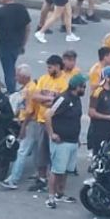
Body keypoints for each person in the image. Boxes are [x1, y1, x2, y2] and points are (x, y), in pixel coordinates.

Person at [44, 73, 86, 209]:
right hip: (61, 142)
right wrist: (52, 134)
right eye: (83, 86)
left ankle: (60, 193)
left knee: (67, 170)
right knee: (56, 170)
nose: (85, 89)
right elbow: (48, 115)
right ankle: (50, 197)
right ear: (76, 87)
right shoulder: (63, 99)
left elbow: (75, 120)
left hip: (72, 140)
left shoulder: (77, 99)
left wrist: (78, 138)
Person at [87, 65, 110, 155]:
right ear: (107, 78)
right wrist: (109, 117)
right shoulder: (97, 92)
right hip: (99, 132)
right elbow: (91, 113)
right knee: (99, 156)